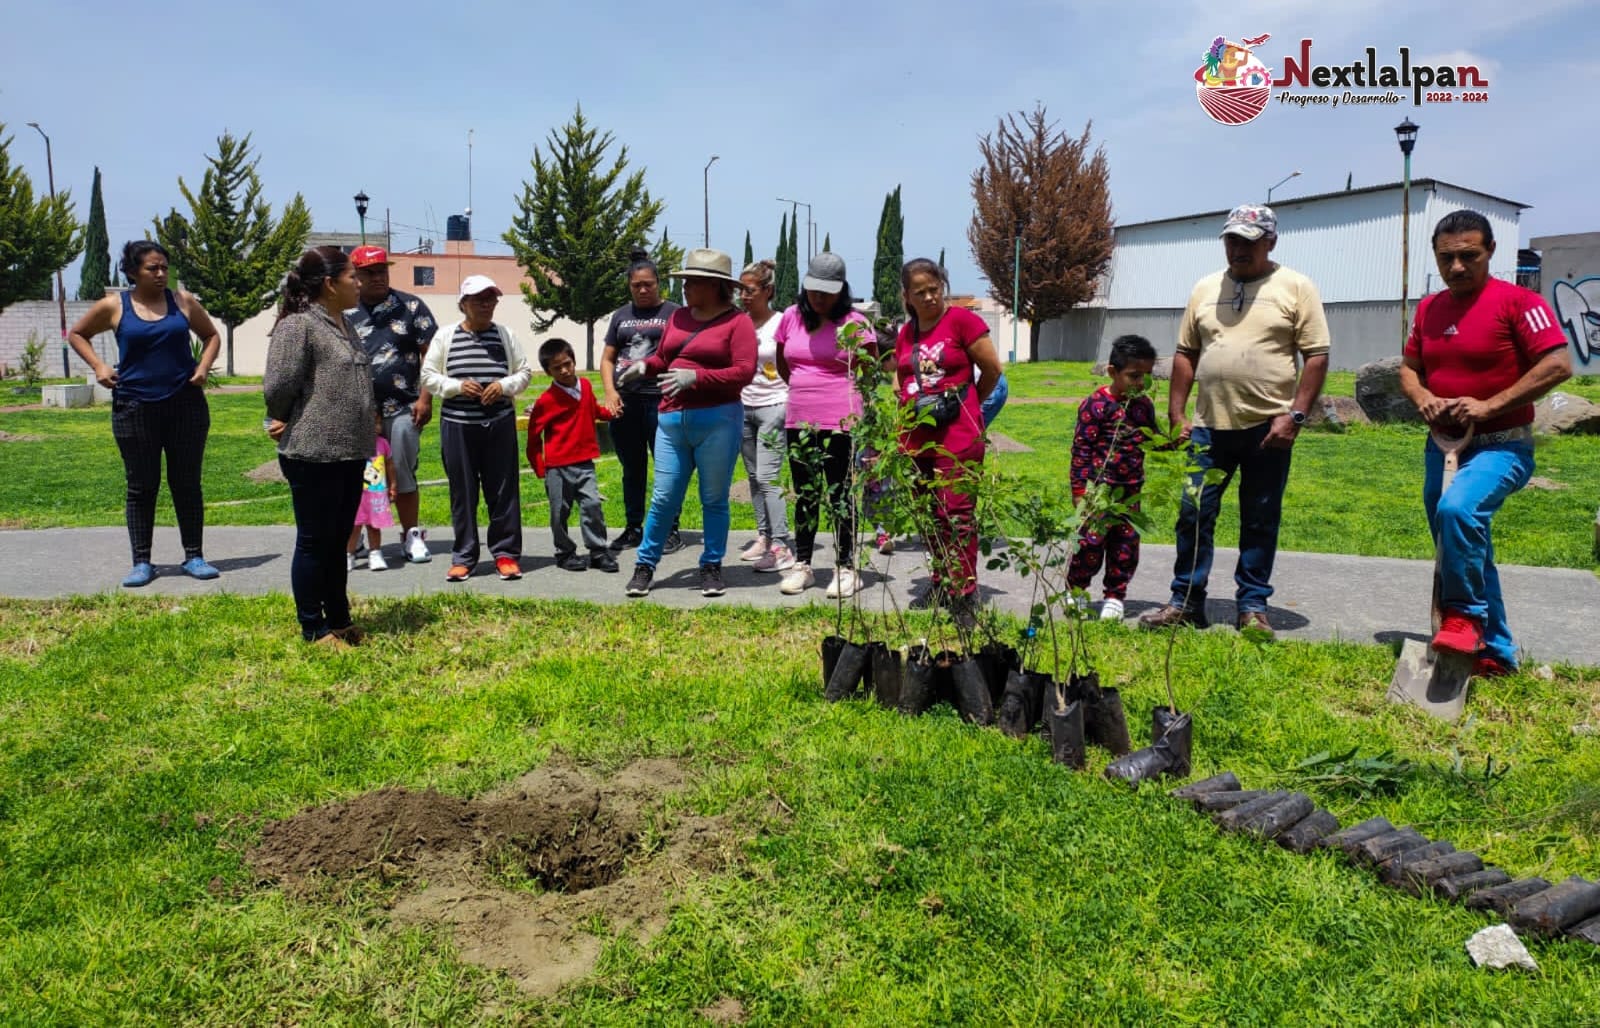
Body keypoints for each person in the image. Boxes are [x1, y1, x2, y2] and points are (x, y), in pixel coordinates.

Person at [1138, 204, 1330, 640]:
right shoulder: (1205, 288)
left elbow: (1316, 355)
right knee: (1193, 514)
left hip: (1268, 428)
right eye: (1231, 239)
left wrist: (1295, 416)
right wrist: (1176, 413)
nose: (1238, 248)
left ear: (1271, 242)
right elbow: (1186, 352)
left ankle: (1252, 605)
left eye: (1248, 240)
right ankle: (1186, 600)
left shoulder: (1296, 287)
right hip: (1208, 427)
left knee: (1260, 517)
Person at [1398, 210, 1571, 675]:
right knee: (1461, 545)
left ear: (1491, 251)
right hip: (1444, 446)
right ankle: (1496, 653)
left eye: (1469, 256)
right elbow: (1409, 367)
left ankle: (1464, 618)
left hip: (1503, 445)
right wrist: (1423, 397)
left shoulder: (1518, 302)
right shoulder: (1430, 308)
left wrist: (1490, 406)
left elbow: (1558, 365)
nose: (1457, 267)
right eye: (1446, 257)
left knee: (1457, 512)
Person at [67, 240, 224, 587]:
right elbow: (76, 334)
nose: (161, 273)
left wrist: (203, 367)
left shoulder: (181, 302)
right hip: (134, 406)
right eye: (153, 268)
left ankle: (194, 555)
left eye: (165, 267)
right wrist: (98, 366)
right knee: (141, 486)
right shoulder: (114, 305)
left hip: (185, 405)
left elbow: (211, 335)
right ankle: (142, 562)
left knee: (186, 483)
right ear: (133, 271)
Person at [618, 248, 756, 598]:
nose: (685, 288)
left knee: (713, 499)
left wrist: (696, 378)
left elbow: (744, 371)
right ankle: (645, 565)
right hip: (671, 418)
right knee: (664, 497)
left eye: (692, 282)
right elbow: (665, 356)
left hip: (718, 420)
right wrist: (646, 366)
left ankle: (711, 565)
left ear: (713, 286)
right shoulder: (679, 317)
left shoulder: (737, 322)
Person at [263, 246, 375, 647]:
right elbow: (277, 387)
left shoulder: (344, 324)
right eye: (352, 277)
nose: (358, 283)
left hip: (349, 451)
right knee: (315, 541)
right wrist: (285, 416)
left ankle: (339, 619)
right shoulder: (299, 326)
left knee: (338, 538)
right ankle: (313, 627)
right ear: (329, 284)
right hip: (312, 453)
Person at [896, 258, 1003, 627]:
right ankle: (940, 580)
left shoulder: (962, 321)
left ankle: (964, 592)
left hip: (957, 432)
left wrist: (966, 404)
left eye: (934, 288)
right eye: (919, 291)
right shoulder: (905, 333)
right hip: (915, 434)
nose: (929, 297)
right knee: (928, 514)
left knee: (956, 512)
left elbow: (991, 370)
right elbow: (901, 378)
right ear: (906, 296)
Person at [775, 253, 877, 599]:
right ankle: (803, 564)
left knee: (840, 494)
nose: (819, 298)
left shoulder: (855, 323)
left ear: (842, 290)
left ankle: (847, 567)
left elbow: (868, 371)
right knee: (805, 493)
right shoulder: (791, 317)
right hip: (799, 419)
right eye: (813, 290)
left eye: (827, 292)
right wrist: (808, 391)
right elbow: (784, 364)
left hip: (841, 421)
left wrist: (838, 396)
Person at [420, 275, 533, 582]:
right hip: (458, 425)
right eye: (479, 300)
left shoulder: (505, 335)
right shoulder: (446, 336)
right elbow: (428, 375)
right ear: (463, 304)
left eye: (491, 299)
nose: (486, 305)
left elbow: (524, 373)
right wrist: (455, 386)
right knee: (463, 493)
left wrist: (503, 385)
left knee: (503, 490)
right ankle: (465, 557)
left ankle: (506, 554)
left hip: (499, 424)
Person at [347, 245, 438, 565]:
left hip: (404, 407)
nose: (378, 277)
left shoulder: (411, 306)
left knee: (401, 470)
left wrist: (426, 398)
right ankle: (358, 541)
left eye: (382, 270)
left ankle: (411, 535)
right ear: (355, 275)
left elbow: (433, 355)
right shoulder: (345, 310)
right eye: (370, 272)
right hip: (358, 414)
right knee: (360, 477)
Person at [1066, 335, 1159, 622]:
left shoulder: (1142, 405)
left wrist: (1175, 439)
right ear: (1112, 372)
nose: (1140, 383)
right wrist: (1080, 489)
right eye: (1133, 376)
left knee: (1125, 545)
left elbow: (1151, 438)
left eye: (1145, 376)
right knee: (1090, 543)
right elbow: (1081, 449)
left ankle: (1115, 596)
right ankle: (1077, 591)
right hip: (1098, 491)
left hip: (1130, 492)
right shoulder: (1095, 405)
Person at [601, 250, 684, 556]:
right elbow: (608, 359)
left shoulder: (675, 313)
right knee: (631, 468)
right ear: (630, 286)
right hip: (626, 404)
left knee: (667, 469)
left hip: (662, 401)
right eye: (637, 285)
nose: (643, 289)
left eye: (648, 284)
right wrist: (610, 393)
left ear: (658, 283)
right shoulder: (621, 316)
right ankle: (634, 526)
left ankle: (670, 528)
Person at [526, 337, 619, 573]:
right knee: (559, 512)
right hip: (557, 467)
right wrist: (540, 466)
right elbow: (534, 436)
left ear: (574, 360)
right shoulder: (546, 401)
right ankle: (565, 552)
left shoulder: (586, 386)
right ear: (548, 372)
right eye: (557, 368)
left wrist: (609, 413)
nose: (565, 370)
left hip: (585, 462)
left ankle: (598, 551)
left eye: (568, 363)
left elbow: (593, 410)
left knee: (592, 506)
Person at [736, 258, 796, 573]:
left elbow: (793, 363)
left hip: (775, 404)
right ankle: (764, 535)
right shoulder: (739, 322)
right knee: (755, 478)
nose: (744, 296)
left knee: (769, 476)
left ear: (768, 290)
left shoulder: (783, 321)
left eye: (750, 290)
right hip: (743, 406)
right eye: (740, 291)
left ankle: (782, 545)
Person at [348, 412, 397, 572]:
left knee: (374, 526)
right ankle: (349, 555)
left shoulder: (383, 443)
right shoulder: (352, 444)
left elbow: (389, 465)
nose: (376, 427)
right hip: (356, 494)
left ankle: (375, 553)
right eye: (371, 424)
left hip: (376, 495)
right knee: (353, 526)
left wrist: (393, 484)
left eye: (378, 423)